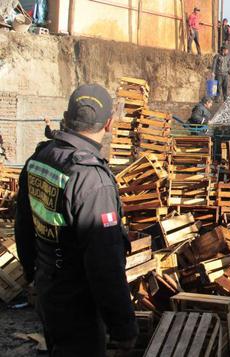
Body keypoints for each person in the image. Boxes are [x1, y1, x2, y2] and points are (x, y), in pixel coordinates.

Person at [15, 84, 138, 356]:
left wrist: (31, 273)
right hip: (78, 305)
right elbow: (104, 265)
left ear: (66, 116)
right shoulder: (91, 179)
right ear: (108, 124)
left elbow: (23, 225)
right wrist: (123, 328)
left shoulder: (38, 159)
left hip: (49, 290)